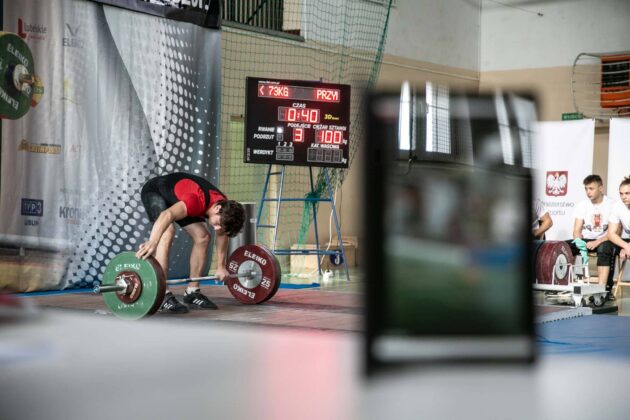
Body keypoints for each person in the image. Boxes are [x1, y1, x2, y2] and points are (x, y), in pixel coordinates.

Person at [136, 172, 245, 313]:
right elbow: (166, 215)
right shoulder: (195, 200)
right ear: (218, 208)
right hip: (156, 191)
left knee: (203, 237)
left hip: (179, 198)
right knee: (167, 233)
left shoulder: (225, 209)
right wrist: (152, 241)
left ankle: (192, 291)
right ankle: (161, 293)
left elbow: (222, 235)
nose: (217, 228)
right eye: (218, 224)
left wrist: (221, 266)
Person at [565, 175, 615, 295]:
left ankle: (602, 291)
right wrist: (578, 241)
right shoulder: (582, 205)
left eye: (591, 188)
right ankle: (563, 286)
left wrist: (597, 242)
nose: (588, 192)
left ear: (601, 188)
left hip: (605, 239)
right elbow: (576, 230)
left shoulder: (612, 205)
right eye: (586, 189)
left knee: (604, 248)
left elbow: (614, 233)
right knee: (564, 246)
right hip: (587, 240)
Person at [607, 176, 630, 283]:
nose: (623, 197)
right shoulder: (617, 206)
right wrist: (625, 246)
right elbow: (611, 234)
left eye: (627, 193)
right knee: (606, 247)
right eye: (621, 194)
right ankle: (607, 288)